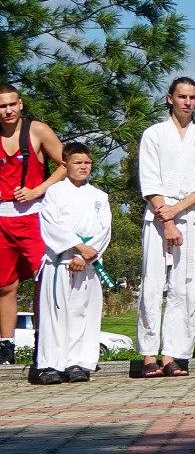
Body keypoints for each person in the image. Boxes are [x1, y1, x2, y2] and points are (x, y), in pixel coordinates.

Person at [135, 77, 195, 378]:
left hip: (192, 216)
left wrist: (179, 209)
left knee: (184, 289)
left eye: (193, 97)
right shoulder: (154, 134)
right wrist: (167, 218)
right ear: (170, 98)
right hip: (158, 217)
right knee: (153, 285)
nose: (187, 102)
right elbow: (149, 180)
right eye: (181, 96)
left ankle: (173, 355)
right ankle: (148, 355)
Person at [29, 144, 110, 385]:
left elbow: (104, 230)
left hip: (87, 263)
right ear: (65, 165)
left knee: (81, 312)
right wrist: (77, 247)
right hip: (60, 260)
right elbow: (52, 227)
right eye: (78, 163)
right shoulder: (54, 193)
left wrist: (85, 256)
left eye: (87, 163)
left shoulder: (99, 196)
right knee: (55, 314)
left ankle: (78, 362)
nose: (83, 167)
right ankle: (50, 364)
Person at [0, 82, 65, 367]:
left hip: (34, 217)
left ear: (21, 104)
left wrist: (38, 189)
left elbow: (67, 164)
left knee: (43, 280)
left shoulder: (36, 130)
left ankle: (44, 341)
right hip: (2, 219)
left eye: (12, 104)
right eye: (2, 106)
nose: (8, 110)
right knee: (5, 285)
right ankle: (6, 346)